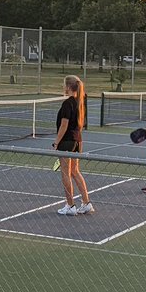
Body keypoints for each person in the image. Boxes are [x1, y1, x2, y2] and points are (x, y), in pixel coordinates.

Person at [52, 75, 93, 215]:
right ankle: (86, 203)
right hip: (76, 141)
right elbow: (79, 126)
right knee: (75, 171)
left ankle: (70, 205)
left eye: (64, 85)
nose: (63, 87)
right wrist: (79, 143)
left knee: (66, 173)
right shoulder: (80, 102)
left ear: (69, 87)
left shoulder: (68, 103)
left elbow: (64, 125)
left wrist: (56, 142)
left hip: (67, 142)